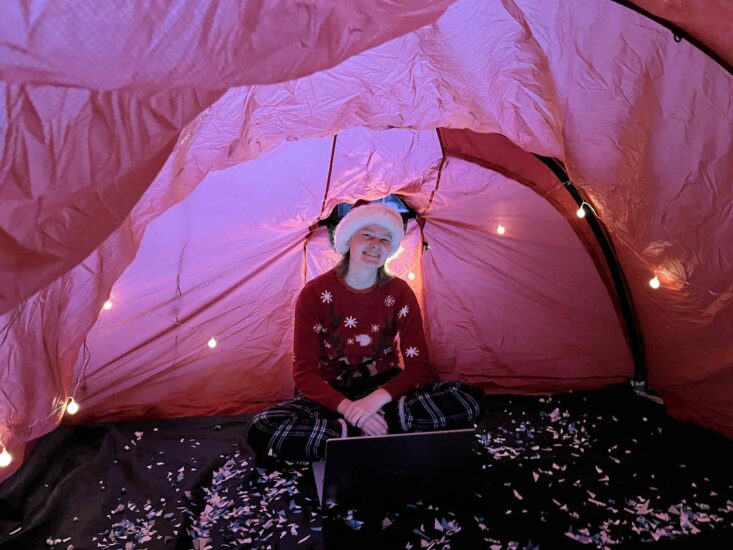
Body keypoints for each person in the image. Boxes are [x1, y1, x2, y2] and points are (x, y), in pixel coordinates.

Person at [246, 201, 485, 461]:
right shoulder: (313, 294)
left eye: (385, 239)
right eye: (368, 235)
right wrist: (351, 411)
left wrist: (374, 402)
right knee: (262, 428)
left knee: (469, 398)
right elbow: (304, 374)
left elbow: (418, 368)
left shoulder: (400, 292)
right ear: (349, 239)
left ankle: (360, 431)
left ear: (391, 248)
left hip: (385, 390)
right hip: (330, 395)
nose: (376, 245)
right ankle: (368, 429)